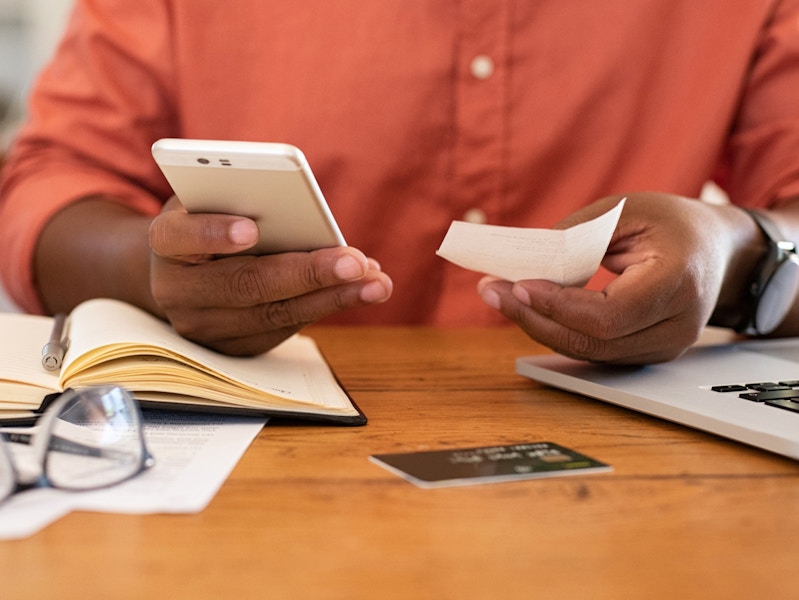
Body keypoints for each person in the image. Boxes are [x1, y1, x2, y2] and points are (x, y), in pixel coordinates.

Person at [2, 1, 799, 364]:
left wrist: (736, 254)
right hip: (258, 465)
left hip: (634, 471)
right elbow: (44, 185)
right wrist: (151, 270)